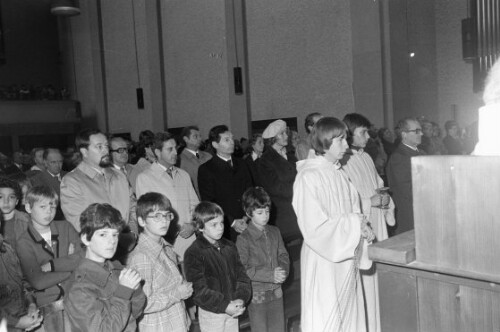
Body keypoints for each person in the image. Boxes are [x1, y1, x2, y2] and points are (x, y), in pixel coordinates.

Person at [292, 117, 375, 332]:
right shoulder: (308, 176)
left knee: (350, 316)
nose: (346, 145)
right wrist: (355, 223)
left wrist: (363, 227)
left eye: (345, 139)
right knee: (327, 315)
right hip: (324, 257)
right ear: (325, 141)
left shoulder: (339, 173)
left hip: (346, 254)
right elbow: (314, 228)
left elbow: (354, 211)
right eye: (340, 140)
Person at [341, 113, 396, 332]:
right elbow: (344, 200)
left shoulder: (365, 157)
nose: (367, 136)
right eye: (362, 132)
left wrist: (384, 198)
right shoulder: (343, 161)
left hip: (376, 220)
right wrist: (368, 201)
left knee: (377, 280)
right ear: (349, 133)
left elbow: (378, 183)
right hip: (361, 225)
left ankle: (378, 324)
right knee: (364, 282)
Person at [64, 203, 146, 332]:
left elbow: (134, 314)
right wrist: (124, 292)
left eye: (115, 234)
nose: (112, 241)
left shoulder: (115, 269)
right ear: (86, 238)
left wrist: (135, 290)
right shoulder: (80, 287)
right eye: (103, 234)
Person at [60, 129, 138, 257]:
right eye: (99, 147)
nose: (105, 151)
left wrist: (133, 233)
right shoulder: (72, 181)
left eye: (106, 146)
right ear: (84, 152)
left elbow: (133, 207)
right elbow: (80, 223)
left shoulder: (119, 176)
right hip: (96, 254)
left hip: (128, 248)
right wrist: (115, 239)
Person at [16, 185, 83, 331]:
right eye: (42, 206)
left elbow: (82, 258)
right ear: (28, 207)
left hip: (76, 296)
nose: (49, 211)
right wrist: (71, 269)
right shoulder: (24, 242)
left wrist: (52, 265)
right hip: (47, 305)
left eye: (52, 206)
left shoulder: (65, 227)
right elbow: (38, 282)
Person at [128, 192, 193, 332]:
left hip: (177, 323)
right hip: (159, 326)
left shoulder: (167, 249)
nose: (164, 221)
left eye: (167, 215)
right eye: (156, 216)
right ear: (141, 221)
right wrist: (178, 293)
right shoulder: (141, 257)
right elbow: (143, 304)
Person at [184, 202, 251, 332]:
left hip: (233, 308)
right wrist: (225, 306)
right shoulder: (194, 253)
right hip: (212, 313)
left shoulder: (230, 246)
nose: (220, 228)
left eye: (221, 223)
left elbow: (242, 277)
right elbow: (199, 291)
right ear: (200, 227)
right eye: (214, 224)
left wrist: (241, 298)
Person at [136, 132, 199, 264]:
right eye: (170, 149)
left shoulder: (183, 175)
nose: (175, 152)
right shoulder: (145, 178)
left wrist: (193, 225)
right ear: (158, 152)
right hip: (164, 245)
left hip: (189, 243)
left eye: (175, 148)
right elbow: (147, 216)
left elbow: (196, 207)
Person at [236, 187, 289, 332]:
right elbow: (243, 268)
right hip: (257, 296)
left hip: (277, 292)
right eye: (260, 212)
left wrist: (282, 271)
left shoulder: (275, 231)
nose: (265, 216)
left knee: (278, 329)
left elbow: (283, 255)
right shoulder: (243, 239)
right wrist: (270, 275)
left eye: (267, 211)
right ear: (248, 213)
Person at [198, 125, 253, 240]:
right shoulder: (206, 169)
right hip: (224, 226)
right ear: (215, 144)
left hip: (247, 221)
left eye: (232, 139)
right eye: (227, 140)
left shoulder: (242, 164)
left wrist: (246, 216)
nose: (232, 142)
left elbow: (250, 191)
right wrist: (232, 222)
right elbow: (210, 202)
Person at [0, 211, 43, 332]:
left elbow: (22, 282)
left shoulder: (7, 249)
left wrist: (31, 304)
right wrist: (17, 322)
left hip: (19, 318)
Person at [257, 119, 299, 239]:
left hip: (298, 209)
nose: (286, 136)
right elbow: (276, 188)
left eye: (286, 133)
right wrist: (300, 189)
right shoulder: (265, 161)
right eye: (282, 134)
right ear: (273, 138)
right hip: (283, 215)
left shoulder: (291, 156)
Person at [386, 117, 425, 235]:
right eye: (417, 131)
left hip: (422, 208)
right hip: (410, 213)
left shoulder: (421, 153)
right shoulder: (399, 157)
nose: (421, 133)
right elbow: (407, 190)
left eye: (421, 130)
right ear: (404, 134)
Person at [31, 148, 66, 220]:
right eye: (53, 162)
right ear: (45, 163)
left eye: (60, 162)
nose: (57, 165)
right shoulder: (36, 180)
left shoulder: (70, 176)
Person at [178, 126, 212, 198]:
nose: (199, 139)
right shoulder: (180, 160)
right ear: (186, 139)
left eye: (200, 136)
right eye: (195, 136)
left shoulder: (208, 156)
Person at [0, 177, 30, 251]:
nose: (6, 201)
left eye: (11, 197)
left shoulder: (26, 220)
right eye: (0, 197)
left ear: (17, 201)